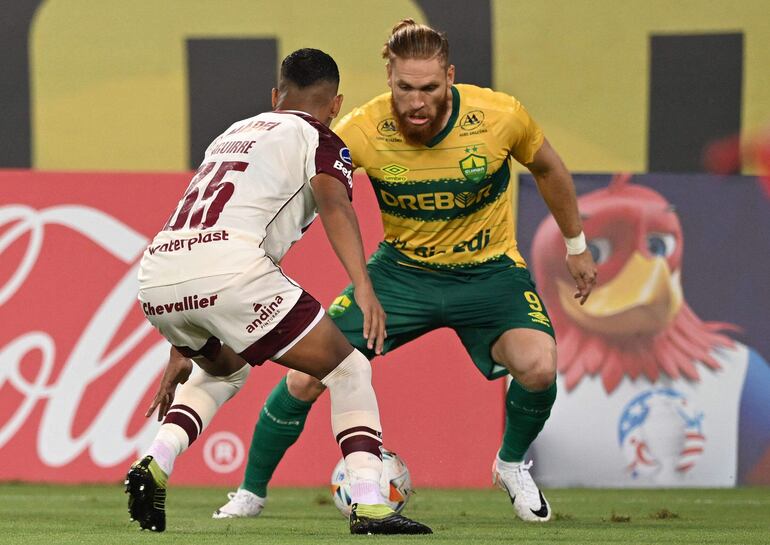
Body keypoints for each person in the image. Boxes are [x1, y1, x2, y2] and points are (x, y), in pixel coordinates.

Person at [213, 19, 597, 523]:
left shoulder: (500, 116)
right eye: (405, 88)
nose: (417, 102)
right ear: (389, 79)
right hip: (400, 277)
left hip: (490, 274)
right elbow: (311, 198)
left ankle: (509, 465)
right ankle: (250, 493)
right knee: (307, 375)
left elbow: (548, 168)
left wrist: (576, 245)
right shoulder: (362, 130)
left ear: (451, 77)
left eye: (430, 88)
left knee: (540, 366)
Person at [125, 47, 431, 535]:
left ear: (275, 96)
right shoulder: (320, 137)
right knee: (348, 368)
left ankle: (156, 461)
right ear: (335, 105)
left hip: (158, 277)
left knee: (226, 370)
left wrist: (180, 347)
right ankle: (371, 502)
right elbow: (334, 204)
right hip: (230, 271)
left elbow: (200, 236)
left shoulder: (230, 134)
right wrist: (363, 284)